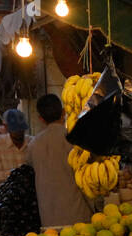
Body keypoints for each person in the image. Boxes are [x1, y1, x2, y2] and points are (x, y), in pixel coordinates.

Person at [23, 94, 93, 228]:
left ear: (41, 119)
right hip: (78, 216)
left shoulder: (32, 145)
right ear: (63, 112)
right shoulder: (76, 139)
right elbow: (87, 180)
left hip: (49, 219)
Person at [0, 108, 31, 192]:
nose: (19, 133)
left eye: (22, 130)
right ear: (6, 126)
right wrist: (14, 174)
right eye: (16, 130)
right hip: (6, 197)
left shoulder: (32, 143)